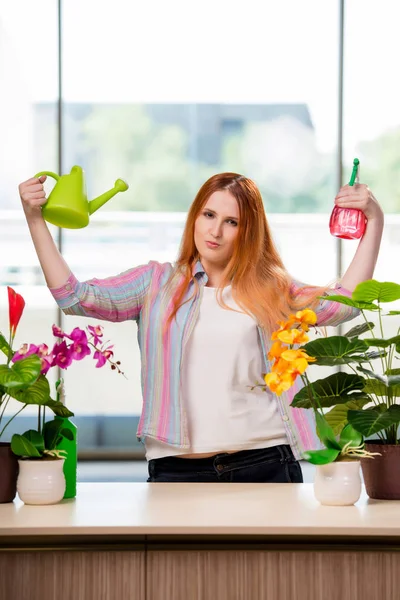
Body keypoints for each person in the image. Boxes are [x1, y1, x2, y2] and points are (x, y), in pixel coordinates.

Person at [18, 172, 384, 483]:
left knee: (270, 572)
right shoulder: (156, 283)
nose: (216, 231)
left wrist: (375, 221)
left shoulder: (271, 290)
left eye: (232, 222)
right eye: (209, 214)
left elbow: (343, 303)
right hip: (173, 469)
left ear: (247, 231)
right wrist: (35, 220)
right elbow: (74, 297)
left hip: (265, 462)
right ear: (195, 216)